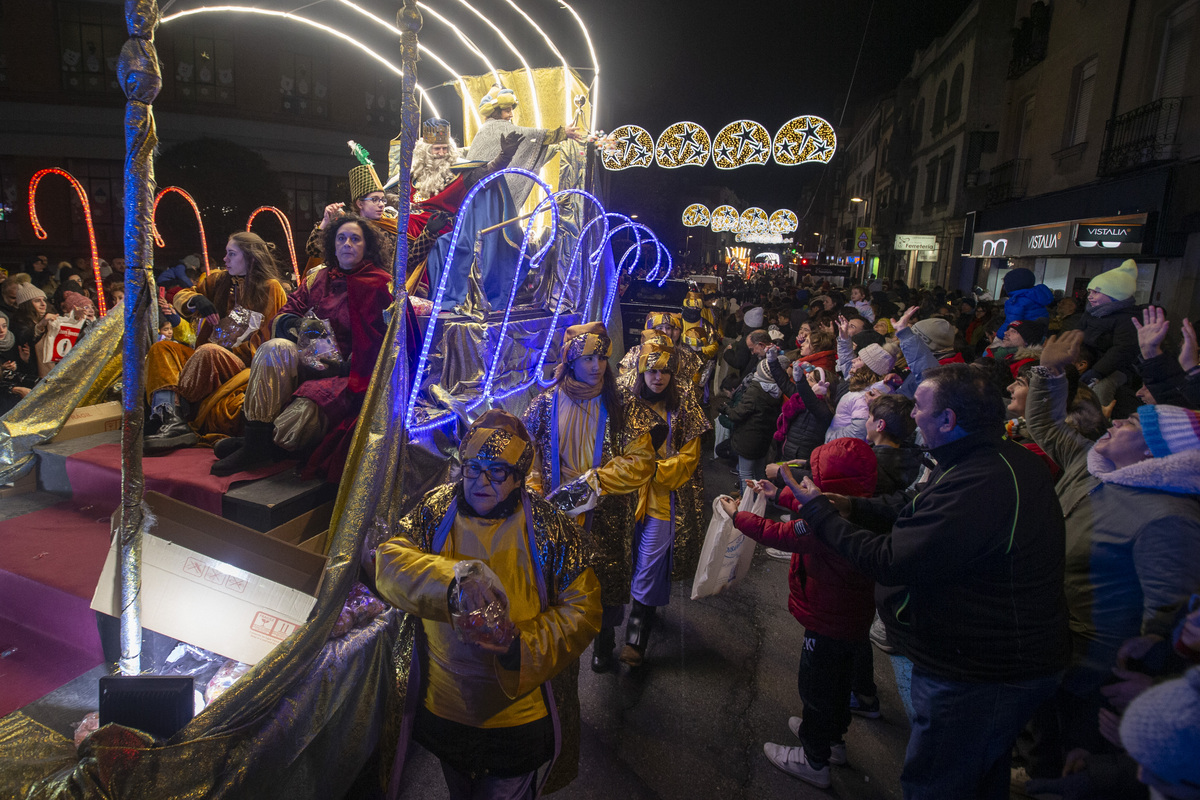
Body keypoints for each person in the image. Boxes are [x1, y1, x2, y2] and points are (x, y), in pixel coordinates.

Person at [784, 363, 1071, 799]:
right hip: (985, 660)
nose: (913, 416)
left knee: (938, 783)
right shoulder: (983, 460)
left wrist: (819, 513)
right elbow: (911, 504)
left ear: (948, 419)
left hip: (979, 671)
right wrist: (849, 505)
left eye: (920, 407)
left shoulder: (980, 484)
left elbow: (890, 559)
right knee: (975, 776)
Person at [374, 410, 602, 798]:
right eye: (472, 468)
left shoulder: (550, 527)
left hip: (517, 719)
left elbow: (584, 610)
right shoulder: (434, 510)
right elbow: (389, 562)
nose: (481, 481)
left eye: (497, 471)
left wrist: (520, 647)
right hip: (444, 709)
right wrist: (452, 582)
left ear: (518, 478)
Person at [1019, 330, 1200, 778]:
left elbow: (1170, 619)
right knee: (1044, 738)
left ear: (1156, 454)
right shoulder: (1096, 465)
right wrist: (1050, 371)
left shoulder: (1168, 520)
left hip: (1096, 671)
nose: (1115, 421)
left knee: (1074, 760)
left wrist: (1151, 686)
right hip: (1054, 641)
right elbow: (1045, 425)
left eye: (1133, 426)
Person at [722, 438, 878, 789]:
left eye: (815, 478)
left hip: (826, 621)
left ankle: (814, 758)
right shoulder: (859, 509)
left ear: (830, 488)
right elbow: (816, 505)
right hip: (851, 619)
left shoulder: (824, 525)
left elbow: (780, 532)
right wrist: (777, 494)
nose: (808, 482)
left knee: (816, 689)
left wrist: (738, 516)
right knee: (837, 687)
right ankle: (832, 743)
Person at [211, 215, 392, 481]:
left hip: (349, 376)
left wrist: (346, 363)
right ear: (332, 243)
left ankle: (261, 445)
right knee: (275, 348)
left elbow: (388, 341)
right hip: (301, 363)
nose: (347, 244)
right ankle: (254, 443)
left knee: (296, 423)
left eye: (355, 239)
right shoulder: (316, 278)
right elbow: (283, 314)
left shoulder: (381, 283)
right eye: (341, 238)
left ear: (367, 246)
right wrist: (304, 327)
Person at [522, 322, 658, 673]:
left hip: (606, 512)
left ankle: (604, 639)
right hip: (554, 510)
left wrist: (595, 483)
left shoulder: (622, 406)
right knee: (556, 579)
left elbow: (642, 461)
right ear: (570, 360)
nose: (597, 365)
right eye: (588, 357)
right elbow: (528, 454)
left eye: (601, 357)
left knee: (604, 579)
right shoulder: (545, 403)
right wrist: (538, 493)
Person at [142, 232, 288, 453]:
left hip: (243, 366)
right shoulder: (219, 280)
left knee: (209, 351)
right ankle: (172, 419)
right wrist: (195, 300)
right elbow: (181, 295)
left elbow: (271, 342)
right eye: (226, 253)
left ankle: (177, 408)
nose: (225, 259)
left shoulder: (271, 288)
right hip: (204, 360)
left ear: (251, 258)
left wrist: (235, 343)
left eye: (232, 254)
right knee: (162, 348)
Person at [621, 336, 709, 667]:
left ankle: (636, 634)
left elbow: (689, 458)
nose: (658, 377)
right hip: (626, 500)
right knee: (624, 560)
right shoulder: (626, 404)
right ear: (641, 371)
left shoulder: (684, 406)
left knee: (648, 563)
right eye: (651, 370)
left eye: (665, 371)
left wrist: (653, 470)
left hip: (662, 502)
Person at [392, 117, 524, 296]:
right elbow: (388, 193)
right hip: (411, 218)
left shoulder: (459, 174)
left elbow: (487, 173)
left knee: (408, 229)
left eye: (445, 148)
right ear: (425, 152)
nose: (441, 153)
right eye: (436, 149)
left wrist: (504, 156)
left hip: (441, 223)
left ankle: (416, 287)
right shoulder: (413, 174)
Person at [304, 144, 398, 276]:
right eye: (375, 199)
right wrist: (325, 222)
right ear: (360, 203)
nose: (381, 204)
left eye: (383, 199)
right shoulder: (346, 227)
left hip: (382, 284)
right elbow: (313, 250)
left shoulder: (393, 225)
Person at [1077, 259, 1142, 402]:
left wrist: (1098, 371)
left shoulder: (1128, 318)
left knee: (1102, 389)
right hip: (1089, 360)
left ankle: (1100, 419)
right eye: (1089, 291)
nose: (1090, 296)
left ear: (1116, 295)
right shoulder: (1090, 312)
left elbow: (1123, 349)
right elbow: (1078, 334)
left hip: (1116, 368)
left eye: (1096, 292)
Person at [724, 354, 787, 484]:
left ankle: (748, 503)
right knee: (759, 474)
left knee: (745, 476)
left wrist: (726, 410)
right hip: (763, 440)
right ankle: (760, 501)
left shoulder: (755, 390)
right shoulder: (777, 391)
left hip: (748, 440)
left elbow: (738, 414)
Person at [998, 267, 1053, 337]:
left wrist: (999, 336)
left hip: (1022, 337)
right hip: (1037, 337)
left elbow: (1011, 323)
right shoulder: (1037, 298)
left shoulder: (1016, 301)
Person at [0, 310, 37, 413]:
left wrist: (25, 361)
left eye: (4, 326)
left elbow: (27, 373)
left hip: (18, 389)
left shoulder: (14, 341)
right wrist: (1, 369)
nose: (2, 331)